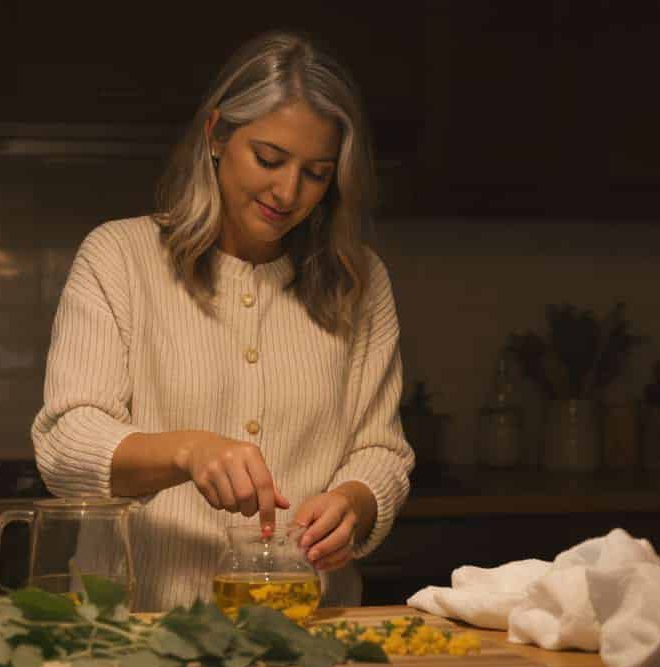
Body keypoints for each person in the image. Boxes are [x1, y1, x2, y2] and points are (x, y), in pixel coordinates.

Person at [30, 29, 413, 613]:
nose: (288, 191)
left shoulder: (359, 283)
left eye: (316, 172)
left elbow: (380, 450)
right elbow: (64, 446)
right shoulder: (120, 257)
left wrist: (355, 502)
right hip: (137, 631)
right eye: (269, 159)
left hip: (308, 629)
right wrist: (187, 450)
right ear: (216, 136)